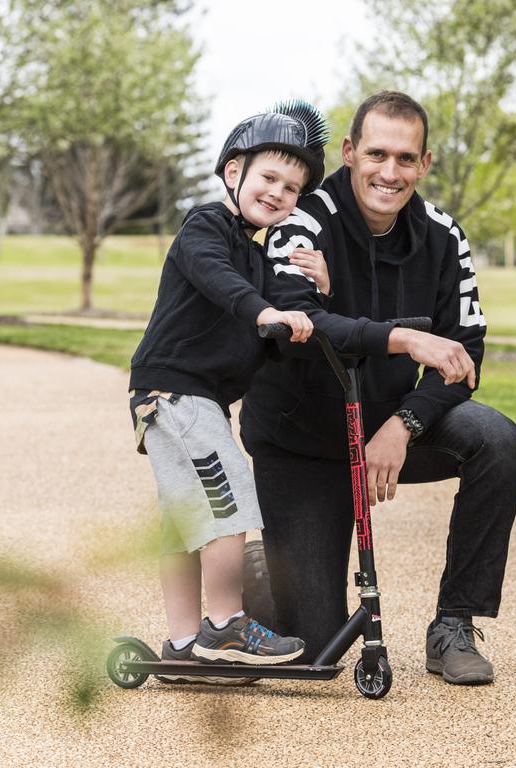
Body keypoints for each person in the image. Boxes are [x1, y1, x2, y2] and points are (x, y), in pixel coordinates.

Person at [240, 91, 516, 685]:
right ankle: (263, 569)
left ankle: (453, 623)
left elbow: (464, 354)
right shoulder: (302, 219)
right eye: (376, 154)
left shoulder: (446, 236)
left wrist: (405, 425)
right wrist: (405, 339)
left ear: (424, 164)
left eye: (405, 158)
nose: (389, 172)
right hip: (303, 438)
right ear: (348, 152)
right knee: (317, 646)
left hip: (390, 424)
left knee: (496, 440)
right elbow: (295, 324)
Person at [129, 102, 334, 682]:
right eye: (269, 177)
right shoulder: (206, 226)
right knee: (229, 496)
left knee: (184, 520)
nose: (279, 193)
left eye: (292, 189)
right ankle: (225, 625)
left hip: (176, 398)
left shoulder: (257, 253)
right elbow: (219, 281)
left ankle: (183, 644)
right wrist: (263, 306)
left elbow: (276, 335)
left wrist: (319, 290)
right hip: (178, 392)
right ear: (233, 171)